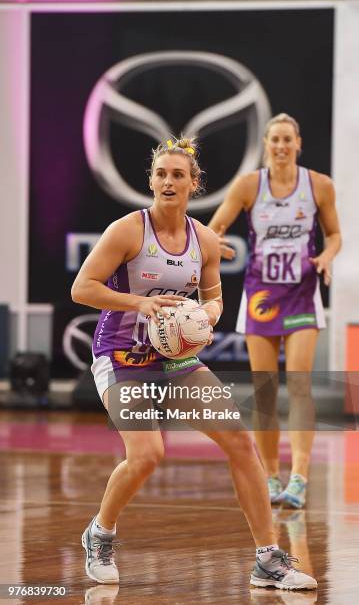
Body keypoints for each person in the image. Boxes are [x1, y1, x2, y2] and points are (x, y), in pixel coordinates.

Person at [71, 136, 317, 590]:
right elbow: (82, 288)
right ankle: (100, 532)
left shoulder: (203, 239)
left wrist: (204, 316)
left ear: (193, 184)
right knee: (147, 456)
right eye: (161, 173)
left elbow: (215, 299)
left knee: (240, 442)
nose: (168, 181)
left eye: (178, 175)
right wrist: (138, 304)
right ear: (151, 181)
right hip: (121, 358)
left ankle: (267, 559)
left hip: (175, 361)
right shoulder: (127, 230)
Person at [209, 113, 342, 509]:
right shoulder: (249, 185)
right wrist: (218, 246)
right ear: (266, 144)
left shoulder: (318, 185)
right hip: (261, 297)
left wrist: (326, 257)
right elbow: (212, 229)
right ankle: (269, 476)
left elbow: (334, 234)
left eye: (288, 139)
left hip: (302, 293)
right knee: (265, 391)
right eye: (275, 140)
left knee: (299, 383)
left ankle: (299, 477)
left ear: (298, 143)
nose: (281, 146)